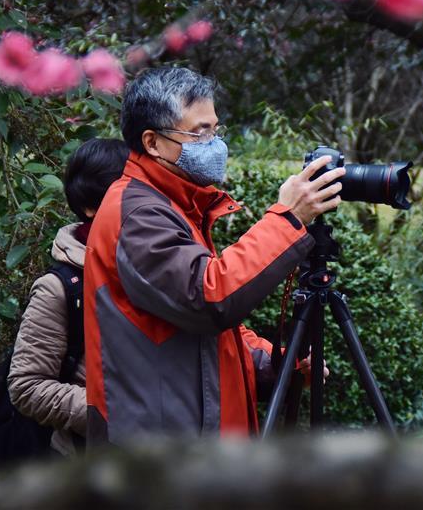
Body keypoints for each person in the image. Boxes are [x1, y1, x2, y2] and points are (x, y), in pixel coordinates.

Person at [83, 67, 344, 445]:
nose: (215, 144)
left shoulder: (176, 204)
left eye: (216, 130)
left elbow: (205, 340)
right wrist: (288, 219)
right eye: (200, 132)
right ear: (152, 142)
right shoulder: (138, 216)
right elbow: (209, 297)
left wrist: (276, 362)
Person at [7, 137, 129, 456]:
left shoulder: (159, 266)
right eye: (121, 195)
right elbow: (27, 386)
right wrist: (113, 415)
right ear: (89, 206)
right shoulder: (60, 287)